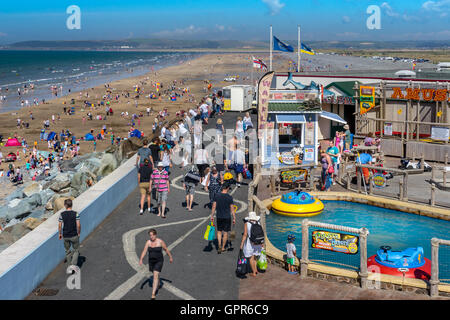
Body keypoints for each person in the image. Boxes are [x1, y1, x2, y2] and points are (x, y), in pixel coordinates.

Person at [139, 229, 173, 300]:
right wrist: (141, 259)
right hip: (151, 262)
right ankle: (158, 281)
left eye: (152, 235)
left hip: (159, 261)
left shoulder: (160, 241)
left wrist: (170, 257)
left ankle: (153, 294)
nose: (151, 237)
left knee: (155, 275)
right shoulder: (148, 242)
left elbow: (166, 249)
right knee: (154, 274)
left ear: (155, 235)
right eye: (150, 235)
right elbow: (144, 251)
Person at [210, 183, 236, 254]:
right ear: (227, 188)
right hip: (227, 217)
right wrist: (234, 217)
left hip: (219, 216)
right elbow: (232, 208)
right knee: (225, 233)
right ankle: (223, 247)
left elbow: (214, 206)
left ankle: (219, 246)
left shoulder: (217, 196)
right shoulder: (229, 197)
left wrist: (212, 216)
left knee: (219, 232)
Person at [239, 211, 263, 277]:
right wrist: (262, 243)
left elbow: (245, 235)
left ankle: (254, 272)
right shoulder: (258, 223)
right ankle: (255, 270)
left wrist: (242, 244)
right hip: (258, 242)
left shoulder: (247, 223)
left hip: (251, 242)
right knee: (255, 257)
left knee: (251, 257)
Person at [58, 199, 81, 267]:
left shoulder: (62, 214)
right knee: (76, 250)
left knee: (67, 251)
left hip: (65, 235)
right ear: (72, 205)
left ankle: (69, 265)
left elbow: (60, 226)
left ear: (65, 205)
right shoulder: (76, 213)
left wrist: (60, 234)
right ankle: (73, 264)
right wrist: (79, 232)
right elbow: (78, 225)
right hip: (74, 235)